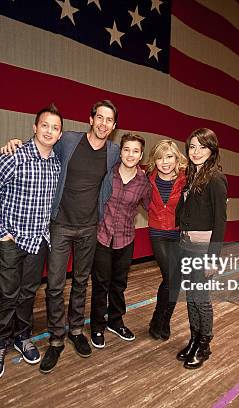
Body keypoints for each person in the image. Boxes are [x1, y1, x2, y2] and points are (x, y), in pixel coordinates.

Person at [1, 100, 120, 374]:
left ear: (114, 127)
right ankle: (56, 337)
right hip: (60, 226)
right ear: (90, 119)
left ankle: (76, 330)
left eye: (109, 120)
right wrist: (15, 143)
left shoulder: (113, 151)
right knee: (54, 285)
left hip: (90, 227)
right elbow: (42, 140)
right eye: (99, 117)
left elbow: (132, 163)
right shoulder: (68, 140)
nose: (103, 123)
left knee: (81, 282)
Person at [0, 104, 63, 380]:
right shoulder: (13, 156)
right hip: (10, 241)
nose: (49, 131)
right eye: (45, 125)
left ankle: (22, 336)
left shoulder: (57, 164)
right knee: (7, 295)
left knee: (28, 293)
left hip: (38, 241)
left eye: (55, 127)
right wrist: (0, 232)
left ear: (60, 135)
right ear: (34, 127)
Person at [89, 133, 151, 349]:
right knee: (100, 284)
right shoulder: (107, 173)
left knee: (118, 284)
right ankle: (97, 325)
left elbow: (157, 206)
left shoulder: (144, 182)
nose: (130, 154)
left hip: (125, 239)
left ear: (141, 154)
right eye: (126, 149)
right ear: (120, 151)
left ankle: (116, 321)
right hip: (102, 237)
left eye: (135, 151)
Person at [175, 128, 227, 369]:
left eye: (202, 147)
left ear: (212, 150)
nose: (196, 152)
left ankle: (205, 344)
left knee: (201, 299)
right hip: (186, 243)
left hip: (202, 248)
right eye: (192, 147)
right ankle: (194, 338)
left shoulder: (215, 178)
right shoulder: (193, 174)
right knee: (191, 297)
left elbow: (220, 221)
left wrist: (212, 258)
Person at [145, 140, 188, 341]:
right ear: (154, 160)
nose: (165, 162)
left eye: (169, 156)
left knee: (174, 281)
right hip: (158, 233)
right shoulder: (147, 179)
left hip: (178, 233)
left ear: (177, 158)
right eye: (160, 157)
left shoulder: (185, 179)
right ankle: (157, 319)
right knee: (171, 277)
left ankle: (163, 320)